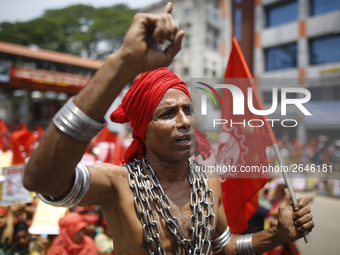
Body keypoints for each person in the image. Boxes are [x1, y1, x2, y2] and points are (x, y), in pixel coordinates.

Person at [23, 2, 314, 255]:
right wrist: (123, 64)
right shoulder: (116, 184)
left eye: (188, 110)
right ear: (142, 129)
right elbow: (43, 181)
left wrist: (277, 235)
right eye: (167, 113)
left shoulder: (209, 182)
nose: (185, 121)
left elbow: (222, 246)